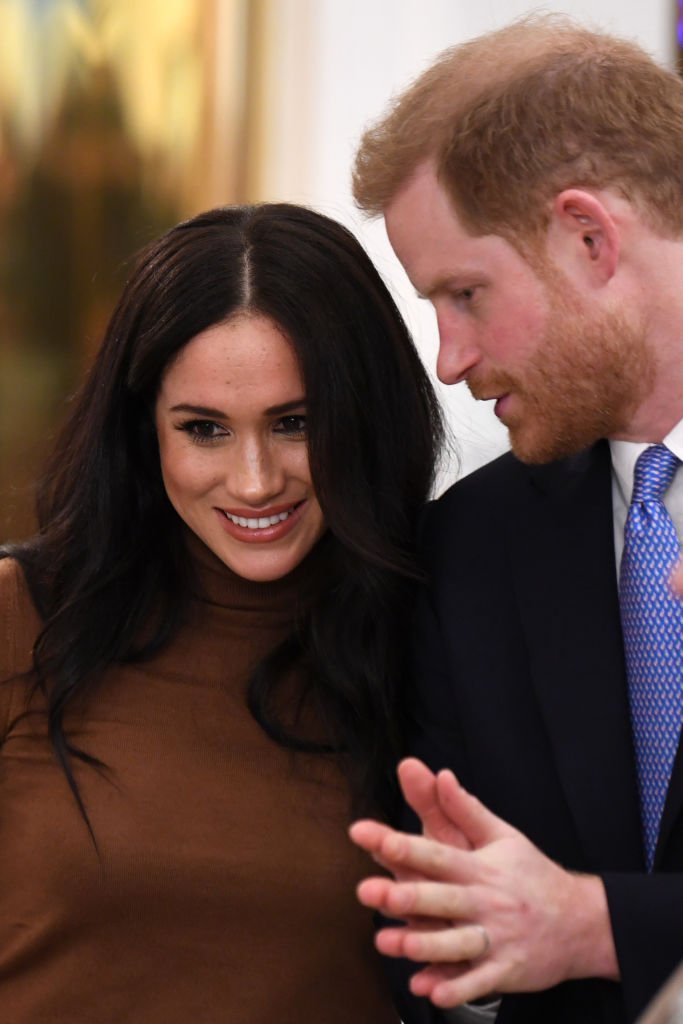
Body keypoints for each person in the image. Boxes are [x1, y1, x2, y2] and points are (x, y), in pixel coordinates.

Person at [0, 202, 445, 1023]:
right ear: (144, 436)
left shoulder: (435, 634)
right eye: (203, 429)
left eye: (294, 424)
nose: (252, 481)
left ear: (365, 419)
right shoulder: (19, 618)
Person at [346, 14, 683, 1024]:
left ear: (588, 237)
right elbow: (453, 940)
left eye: (464, 293)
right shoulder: (467, 552)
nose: (447, 358)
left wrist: (594, 924)